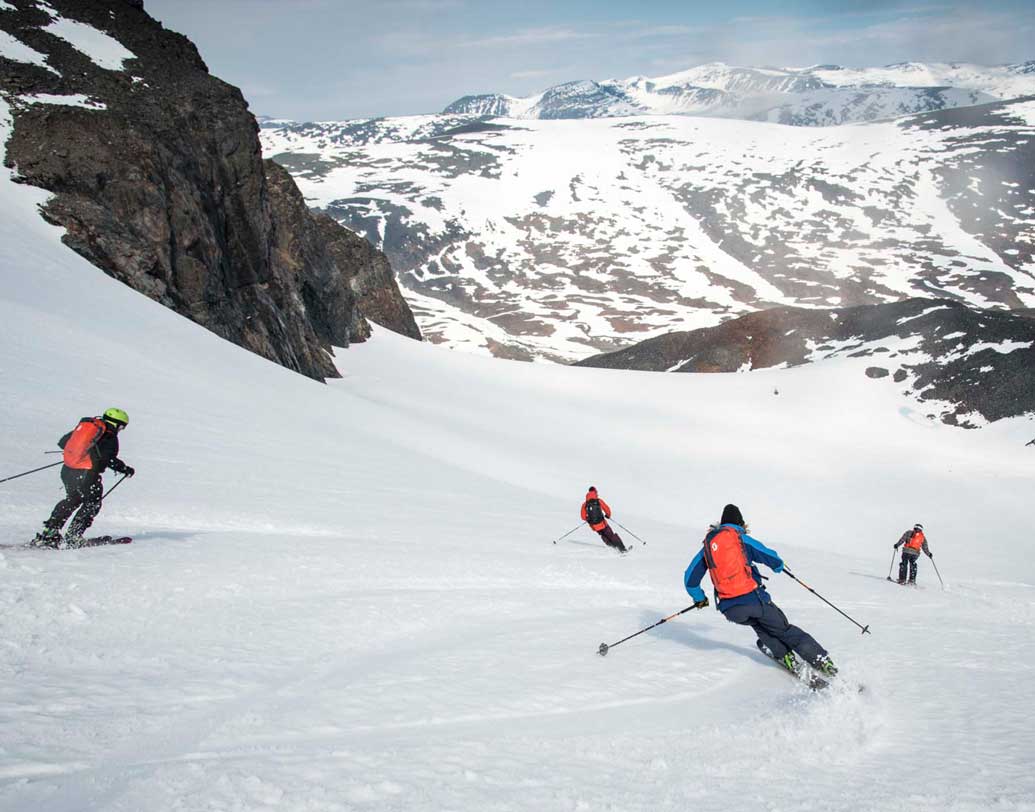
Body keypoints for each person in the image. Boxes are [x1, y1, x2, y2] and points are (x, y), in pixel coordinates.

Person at [684, 503, 837, 678]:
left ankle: (785, 657)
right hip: (754, 600)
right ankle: (823, 662)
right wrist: (778, 565)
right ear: (740, 524)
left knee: (759, 626)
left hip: (730, 610)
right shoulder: (739, 539)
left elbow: (689, 578)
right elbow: (769, 555)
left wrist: (700, 598)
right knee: (784, 629)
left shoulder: (708, 547)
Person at [33, 408, 135, 548]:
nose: (121, 430)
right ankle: (74, 536)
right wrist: (125, 469)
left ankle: (49, 533)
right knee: (92, 503)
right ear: (117, 424)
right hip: (87, 474)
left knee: (72, 500)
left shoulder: (90, 427)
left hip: (68, 470)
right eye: (122, 427)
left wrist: (80, 453)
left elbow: (63, 442)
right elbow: (108, 458)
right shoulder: (109, 435)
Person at [580, 486, 628, 553]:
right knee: (611, 535)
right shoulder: (599, 501)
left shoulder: (585, 504)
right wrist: (608, 515)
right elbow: (607, 509)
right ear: (595, 492)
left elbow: (582, 516)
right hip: (602, 523)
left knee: (603, 535)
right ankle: (622, 549)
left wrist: (588, 519)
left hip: (594, 526)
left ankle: (613, 548)